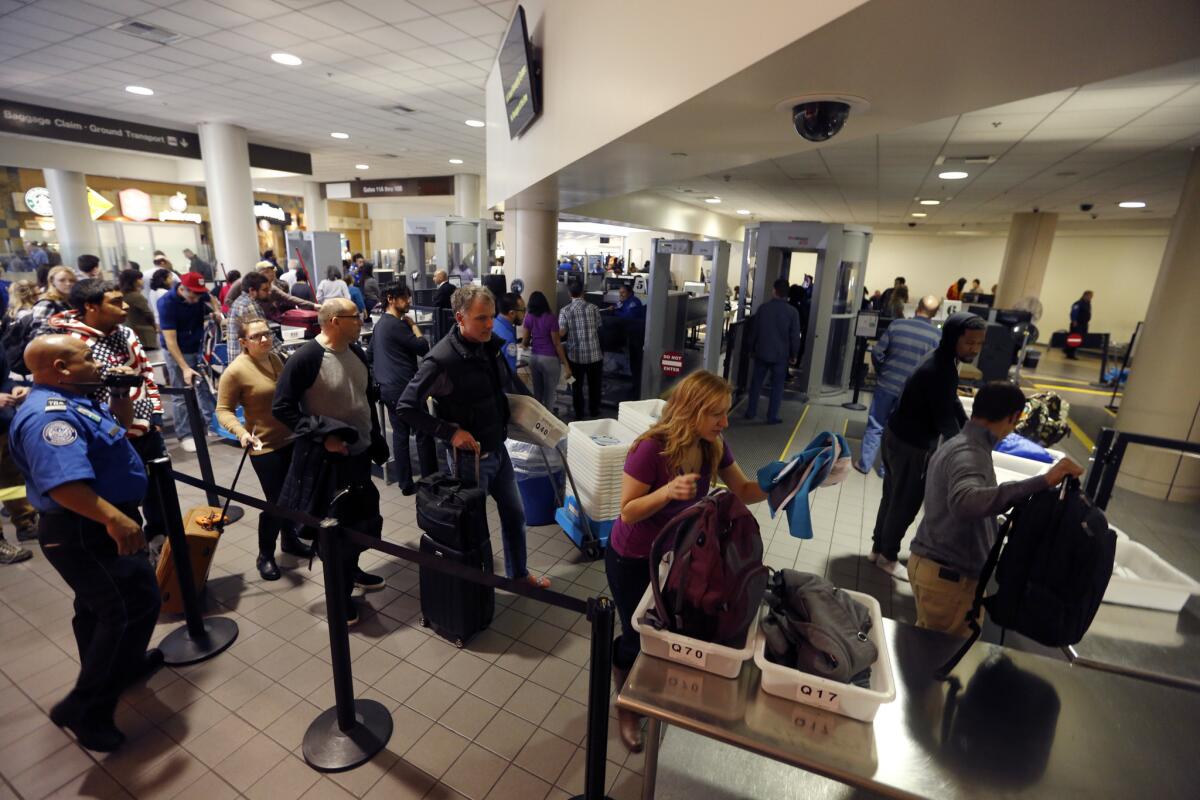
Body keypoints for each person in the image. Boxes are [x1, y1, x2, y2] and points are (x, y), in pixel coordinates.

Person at [10, 335, 162, 752]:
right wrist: (115, 519)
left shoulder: (76, 397)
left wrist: (119, 393)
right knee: (132, 607)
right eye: (87, 359)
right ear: (60, 367)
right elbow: (63, 485)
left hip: (95, 522)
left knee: (99, 608)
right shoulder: (48, 418)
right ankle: (87, 708)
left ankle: (120, 666)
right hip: (86, 528)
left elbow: (118, 430)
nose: (97, 364)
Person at [605, 370, 768, 751]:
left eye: (726, 413)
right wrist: (666, 492)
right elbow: (627, 511)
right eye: (716, 414)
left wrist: (790, 480)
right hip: (632, 556)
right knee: (636, 633)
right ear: (692, 411)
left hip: (675, 552)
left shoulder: (713, 445)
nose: (725, 422)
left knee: (668, 625)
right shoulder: (651, 449)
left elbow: (743, 489)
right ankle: (627, 702)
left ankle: (650, 688)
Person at [397, 285, 548, 588]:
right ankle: (477, 590)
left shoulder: (488, 345)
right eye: (481, 318)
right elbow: (405, 407)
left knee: (515, 514)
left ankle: (517, 575)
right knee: (473, 528)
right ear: (460, 318)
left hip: (498, 448)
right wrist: (450, 432)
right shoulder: (441, 360)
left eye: (491, 317)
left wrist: (535, 413)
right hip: (469, 460)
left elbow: (508, 384)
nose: (490, 324)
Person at [909, 382, 1084, 636]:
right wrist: (1043, 481)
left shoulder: (959, 443)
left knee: (926, 649)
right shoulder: (970, 453)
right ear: (1013, 417)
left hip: (935, 568)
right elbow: (965, 502)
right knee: (943, 657)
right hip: (949, 578)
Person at [273, 299, 387, 624]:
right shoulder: (306, 358)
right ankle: (338, 598)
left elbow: (363, 399)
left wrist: (374, 437)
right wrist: (324, 436)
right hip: (329, 462)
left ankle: (351, 572)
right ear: (335, 321)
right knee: (335, 529)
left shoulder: (357, 351)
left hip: (359, 454)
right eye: (356, 317)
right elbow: (282, 407)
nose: (361, 321)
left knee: (361, 520)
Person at [47, 278, 168, 553]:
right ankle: (134, 553)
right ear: (91, 306)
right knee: (122, 500)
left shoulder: (126, 334)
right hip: (106, 436)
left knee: (160, 495)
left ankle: (164, 546)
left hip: (145, 430)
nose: (124, 307)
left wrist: (155, 415)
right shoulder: (70, 343)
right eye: (115, 302)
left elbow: (146, 374)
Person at [869, 312, 987, 580]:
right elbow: (943, 416)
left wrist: (967, 424)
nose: (975, 349)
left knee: (892, 497)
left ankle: (877, 549)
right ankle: (887, 557)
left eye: (980, 344)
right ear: (952, 338)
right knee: (905, 503)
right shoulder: (941, 369)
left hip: (896, 436)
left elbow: (950, 400)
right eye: (970, 343)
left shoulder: (942, 359)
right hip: (912, 446)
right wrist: (967, 449)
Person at [217, 318, 314, 580]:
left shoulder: (276, 359)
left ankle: (289, 540)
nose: (264, 339)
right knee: (277, 502)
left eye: (267, 334)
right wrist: (241, 433)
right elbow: (223, 410)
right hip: (264, 446)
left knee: (293, 497)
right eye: (257, 336)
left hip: (291, 439)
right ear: (243, 342)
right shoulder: (235, 371)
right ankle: (265, 554)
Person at [857, 295, 943, 476]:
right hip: (912, 393)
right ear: (935, 313)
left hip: (887, 384)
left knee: (876, 424)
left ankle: (865, 464)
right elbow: (936, 368)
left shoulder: (897, 325)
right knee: (898, 431)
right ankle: (885, 470)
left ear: (917, 307)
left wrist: (883, 371)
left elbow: (878, 352)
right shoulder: (937, 336)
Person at [368, 285, 436, 495]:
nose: (409, 301)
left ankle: (405, 483)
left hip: (388, 389)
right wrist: (414, 326)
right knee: (424, 431)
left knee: (400, 434)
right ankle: (430, 479)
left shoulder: (380, 325)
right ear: (391, 299)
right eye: (405, 298)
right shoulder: (397, 325)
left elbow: (370, 354)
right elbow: (423, 347)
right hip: (405, 388)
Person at [158, 272, 220, 453]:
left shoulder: (199, 294)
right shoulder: (166, 303)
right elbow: (170, 341)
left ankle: (212, 425)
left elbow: (211, 298)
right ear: (182, 288)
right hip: (177, 350)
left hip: (197, 346)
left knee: (205, 388)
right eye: (193, 295)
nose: (197, 299)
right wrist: (184, 368)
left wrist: (216, 311)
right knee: (181, 394)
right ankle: (185, 435)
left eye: (199, 295)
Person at [744, 278, 800, 424]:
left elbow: (754, 331)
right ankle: (772, 416)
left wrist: (751, 348)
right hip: (781, 355)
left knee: (756, 383)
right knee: (777, 386)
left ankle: (751, 412)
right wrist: (794, 354)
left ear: (774, 291)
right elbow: (794, 336)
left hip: (761, 352)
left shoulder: (763, 309)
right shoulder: (792, 312)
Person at [0, 344, 35, 563]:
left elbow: (3, 375)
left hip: (3, 423)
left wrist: (13, 388)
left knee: (13, 479)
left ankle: (25, 523)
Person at [559, 280, 603, 420]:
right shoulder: (594, 308)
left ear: (569, 294)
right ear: (583, 292)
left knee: (576, 386)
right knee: (594, 385)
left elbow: (562, 332)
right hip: (594, 354)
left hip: (575, 356)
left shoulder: (565, 311)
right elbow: (597, 326)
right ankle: (594, 410)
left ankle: (579, 413)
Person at [521, 290, 571, 413]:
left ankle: (537, 424)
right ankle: (549, 425)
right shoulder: (551, 318)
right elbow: (557, 343)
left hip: (535, 358)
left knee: (537, 393)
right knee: (549, 395)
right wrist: (566, 365)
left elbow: (525, 341)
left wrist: (525, 345)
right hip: (549, 359)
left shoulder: (528, 317)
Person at [227, 272, 272, 361]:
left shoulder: (239, 302)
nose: (269, 292)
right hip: (248, 361)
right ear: (252, 290)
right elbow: (263, 335)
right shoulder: (249, 305)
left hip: (237, 360)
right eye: (265, 290)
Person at [118, 269, 158, 355]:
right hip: (145, 334)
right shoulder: (136, 296)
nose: (142, 281)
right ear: (134, 281)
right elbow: (147, 313)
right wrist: (155, 326)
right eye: (139, 279)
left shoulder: (122, 295)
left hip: (133, 332)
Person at [30, 265, 76, 336]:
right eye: (62, 280)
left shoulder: (69, 301)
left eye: (71, 280)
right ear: (52, 281)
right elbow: (40, 334)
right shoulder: (46, 303)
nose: (68, 284)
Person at [493, 292, 526, 372]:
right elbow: (510, 372)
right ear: (512, 313)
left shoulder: (493, 324)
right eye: (523, 310)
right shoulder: (508, 338)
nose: (525, 314)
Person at [1065, 290, 1093, 360]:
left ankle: (1069, 351)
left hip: (1084, 324)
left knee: (1080, 339)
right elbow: (1073, 312)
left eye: (1091, 296)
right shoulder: (1078, 303)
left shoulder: (1088, 304)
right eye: (1089, 296)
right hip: (1077, 324)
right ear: (1085, 295)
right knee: (1074, 339)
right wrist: (1074, 321)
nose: (1090, 298)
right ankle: (1070, 354)